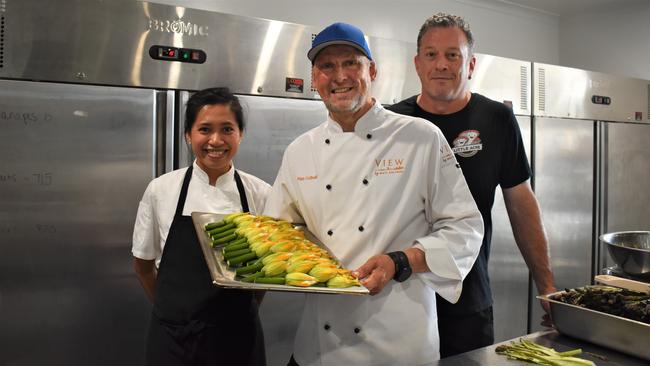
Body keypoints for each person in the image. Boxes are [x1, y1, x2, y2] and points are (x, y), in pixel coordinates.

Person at [263, 22, 484, 366]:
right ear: (314, 79)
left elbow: (466, 229)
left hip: (397, 345)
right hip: (319, 348)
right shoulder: (299, 151)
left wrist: (401, 262)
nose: (339, 76)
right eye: (327, 66)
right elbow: (279, 230)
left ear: (373, 71)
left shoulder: (420, 137)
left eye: (351, 63)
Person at [388, 13, 557, 357]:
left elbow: (521, 205)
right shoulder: (393, 122)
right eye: (431, 54)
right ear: (417, 64)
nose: (442, 65)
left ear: (471, 64)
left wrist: (548, 287)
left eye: (453, 55)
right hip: (400, 297)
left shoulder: (497, 119)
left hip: (468, 298)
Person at [132, 87, 270, 366]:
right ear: (188, 135)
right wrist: (171, 312)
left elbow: (264, 272)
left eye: (227, 129)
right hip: (173, 340)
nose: (215, 140)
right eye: (204, 129)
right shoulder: (161, 190)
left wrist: (244, 311)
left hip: (238, 339)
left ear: (240, 134)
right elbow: (143, 265)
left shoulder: (260, 193)